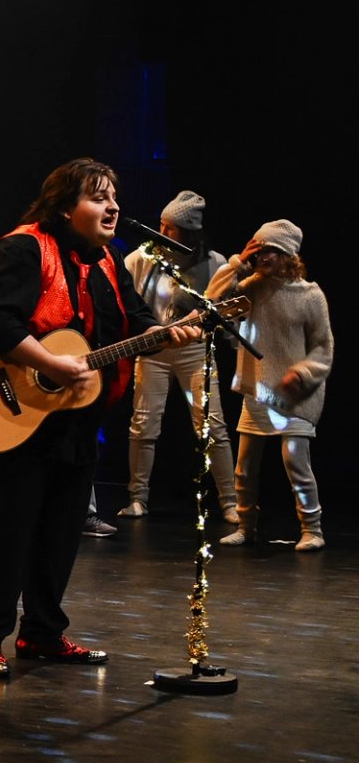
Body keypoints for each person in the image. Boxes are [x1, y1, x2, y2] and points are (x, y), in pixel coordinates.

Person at [0, 159, 201, 676]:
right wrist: (49, 363)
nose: (113, 206)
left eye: (114, 196)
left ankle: (43, 633)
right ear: (65, 206)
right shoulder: (23, 248)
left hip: (74, 416)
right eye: (98, 197)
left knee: (61, 531)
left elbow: (136, 323)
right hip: (12, 411)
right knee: (9, 530)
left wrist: (168, 333)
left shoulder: (109, 261)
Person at [207, 220, 333, 551]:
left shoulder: (310, 295)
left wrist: (303, 374)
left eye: (270, 251)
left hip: (296, 395)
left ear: (288, 255)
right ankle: (246, 527)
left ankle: (312, 530)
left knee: (296, 464)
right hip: (259, 391)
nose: (262, 257)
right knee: (245, 468)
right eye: (259, 251)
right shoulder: (252, 287)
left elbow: (323, 347)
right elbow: (211, 301)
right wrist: (238, 263)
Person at [118, 190, 235, 521]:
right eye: (161, 224)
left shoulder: (214, 263)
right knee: (143, 424)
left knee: (212, 424)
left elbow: (224, 311)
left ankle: (231, 502)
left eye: (170, 228)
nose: (162, 232)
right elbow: (124, 301)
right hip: (153, 350)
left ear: (188, 232)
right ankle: (137, 498)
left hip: (194, 350)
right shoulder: (141, 259)